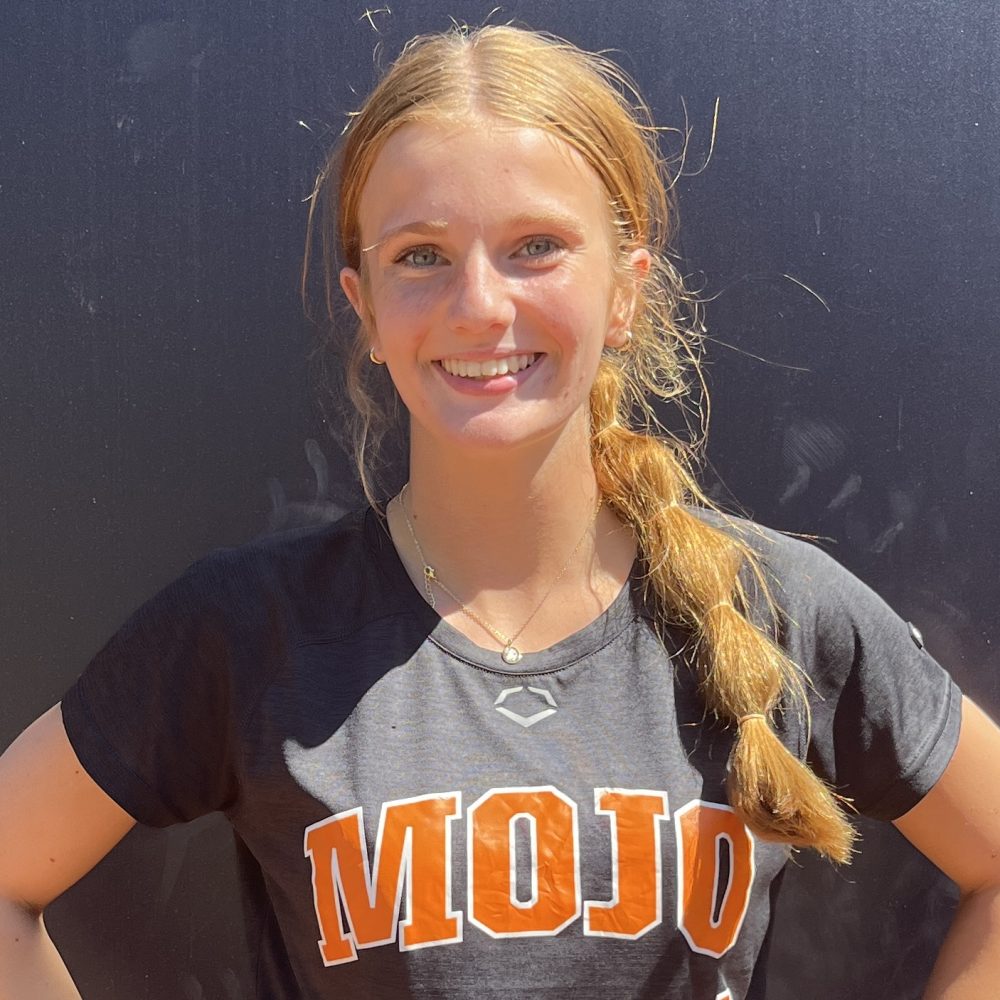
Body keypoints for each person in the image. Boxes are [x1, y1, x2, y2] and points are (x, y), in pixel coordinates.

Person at [1, 22, 998, 1000]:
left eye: (536, 246)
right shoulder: (249, 631)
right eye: (420, 256)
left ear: (625, 293)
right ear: (365, 306)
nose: (479, 303)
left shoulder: (777, 610)